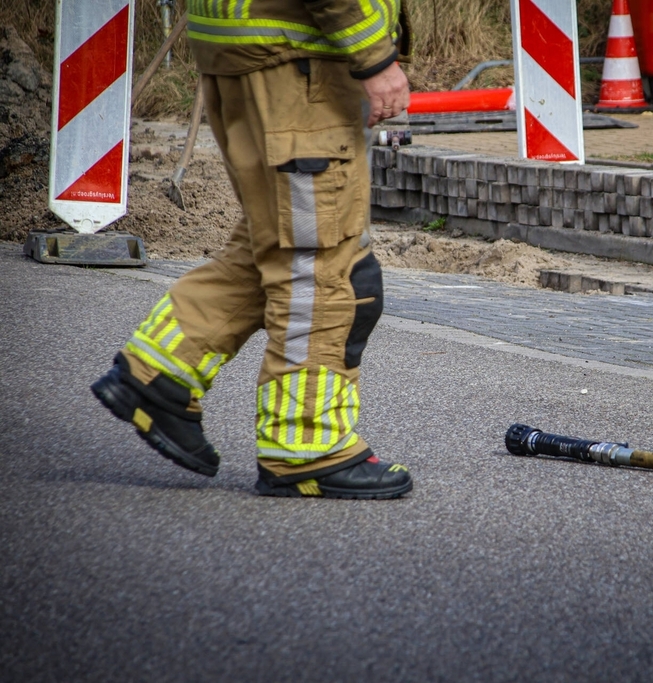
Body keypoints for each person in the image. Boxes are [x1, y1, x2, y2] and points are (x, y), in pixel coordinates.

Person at [91, 0, 413, 499]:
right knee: (323, 268)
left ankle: (158, 374)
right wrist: (375, 56)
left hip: (254, 54)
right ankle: (307, 450)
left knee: (275, 245)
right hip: (296, 66)